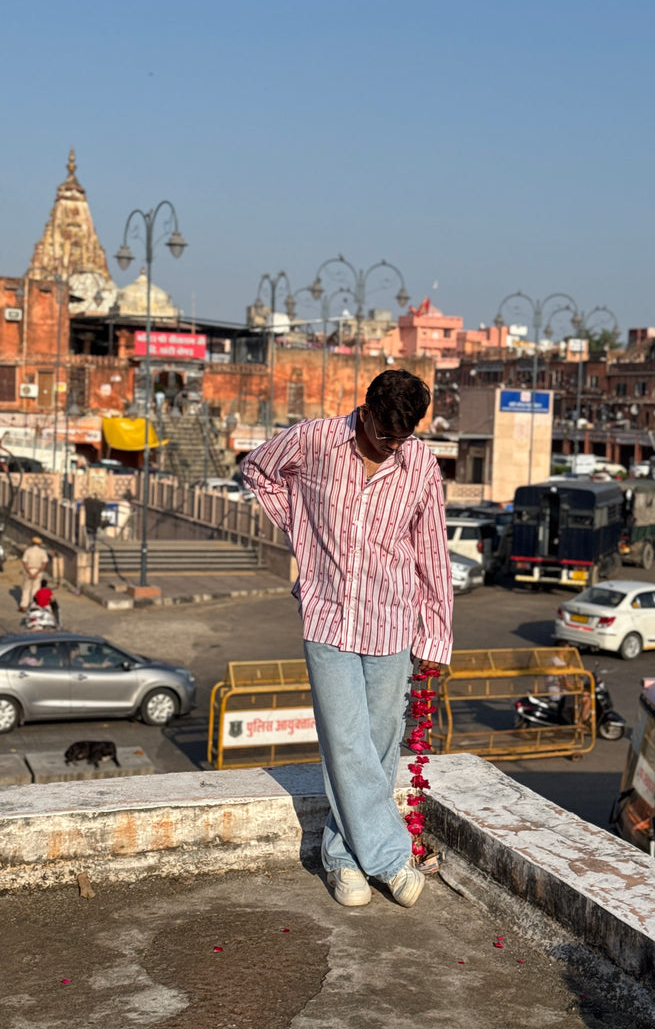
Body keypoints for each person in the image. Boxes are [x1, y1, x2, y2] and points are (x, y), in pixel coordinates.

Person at [242, 369, 453, 910]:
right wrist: (300, 531)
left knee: (380, 746)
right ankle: (388, 857)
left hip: (393, 620)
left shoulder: (421, 467)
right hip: (327, 615)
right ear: (365, 414)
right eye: (385, 434)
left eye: (401, 438)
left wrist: (435, 639)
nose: (391, 446)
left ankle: (341, 857)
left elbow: (432, 557)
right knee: (345, 738)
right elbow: (258, 470)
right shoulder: (313, 440)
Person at [19, 535, 49, 612]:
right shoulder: (42, 552)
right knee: (35, 589)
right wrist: (37, 572)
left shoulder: (28, 551)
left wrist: (29, 572)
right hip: (38, 570)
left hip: (29, 569)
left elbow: (24, 562)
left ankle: (23, 605)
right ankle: (34, 605)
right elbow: (44, 563)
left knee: (26, 589)